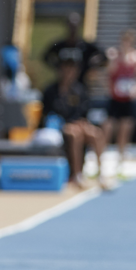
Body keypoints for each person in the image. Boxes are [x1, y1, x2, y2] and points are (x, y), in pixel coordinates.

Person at [41, 59, 107, 190]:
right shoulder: (51, 91)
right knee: (75, 134)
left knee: (96, 134)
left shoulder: (79, 90)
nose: (68, 73)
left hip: (77, 124)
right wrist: (67, 123)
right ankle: (77, 175)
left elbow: (83, 111)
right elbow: (49, 113)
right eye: (66, 69)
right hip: (57, 126)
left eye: (71, 69)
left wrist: (81, 122)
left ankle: (101, 174)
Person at [103, 29, 136, 178]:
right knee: (108, 128)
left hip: (128, 99)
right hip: (115, 98)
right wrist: (108, 88)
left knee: (125, 130)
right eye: (124, 40)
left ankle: (121, 162)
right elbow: (105, 73)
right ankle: (101, 160)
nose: (126, 44)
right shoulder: (113, 55)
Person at [43, 13, 103, 84]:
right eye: (71, 26)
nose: (73, 29)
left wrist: (90, 65)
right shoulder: (60, 45)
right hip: (63, 83)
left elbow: (102, 55)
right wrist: (57, 66)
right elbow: (46, 56)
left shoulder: (85, 46)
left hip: (81, 82)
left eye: (75, 26)